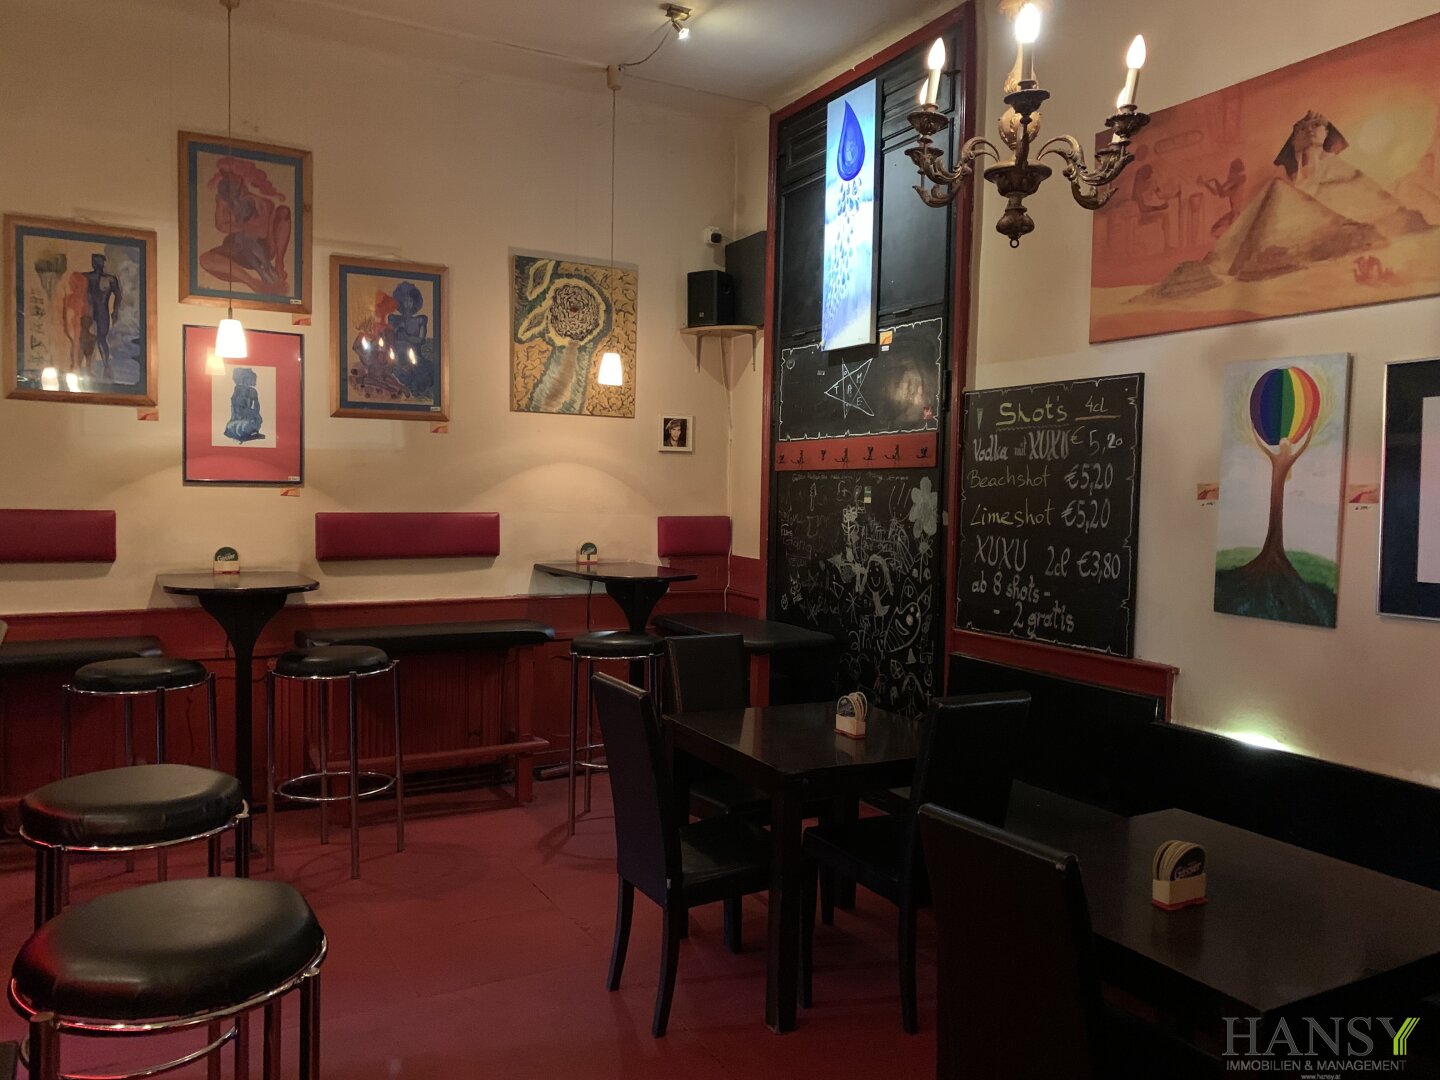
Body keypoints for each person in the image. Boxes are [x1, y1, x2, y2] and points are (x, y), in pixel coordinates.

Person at [82, 254, 121, 377]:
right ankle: (93, 369)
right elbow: (118, 296)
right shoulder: (87, 277)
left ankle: (105, 367)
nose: (97, 264)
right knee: (92, 339)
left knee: (100, 339)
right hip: (92, 312)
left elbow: (118, 296)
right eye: (96, 262)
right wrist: (115, 310)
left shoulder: (108, 279)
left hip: (99, 312)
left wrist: (116, 311)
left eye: (97, 262)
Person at [223, 366, 265, 443]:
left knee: (250, 424)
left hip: (242, 421)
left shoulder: (251, 391)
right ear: (243, 379)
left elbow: (256, 408)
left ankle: (244, 434)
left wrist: (252, 413)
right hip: (238, 421)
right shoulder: (239, 390)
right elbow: (236, 408)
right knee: (242, 426)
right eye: (248, 378)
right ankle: (245, 435)